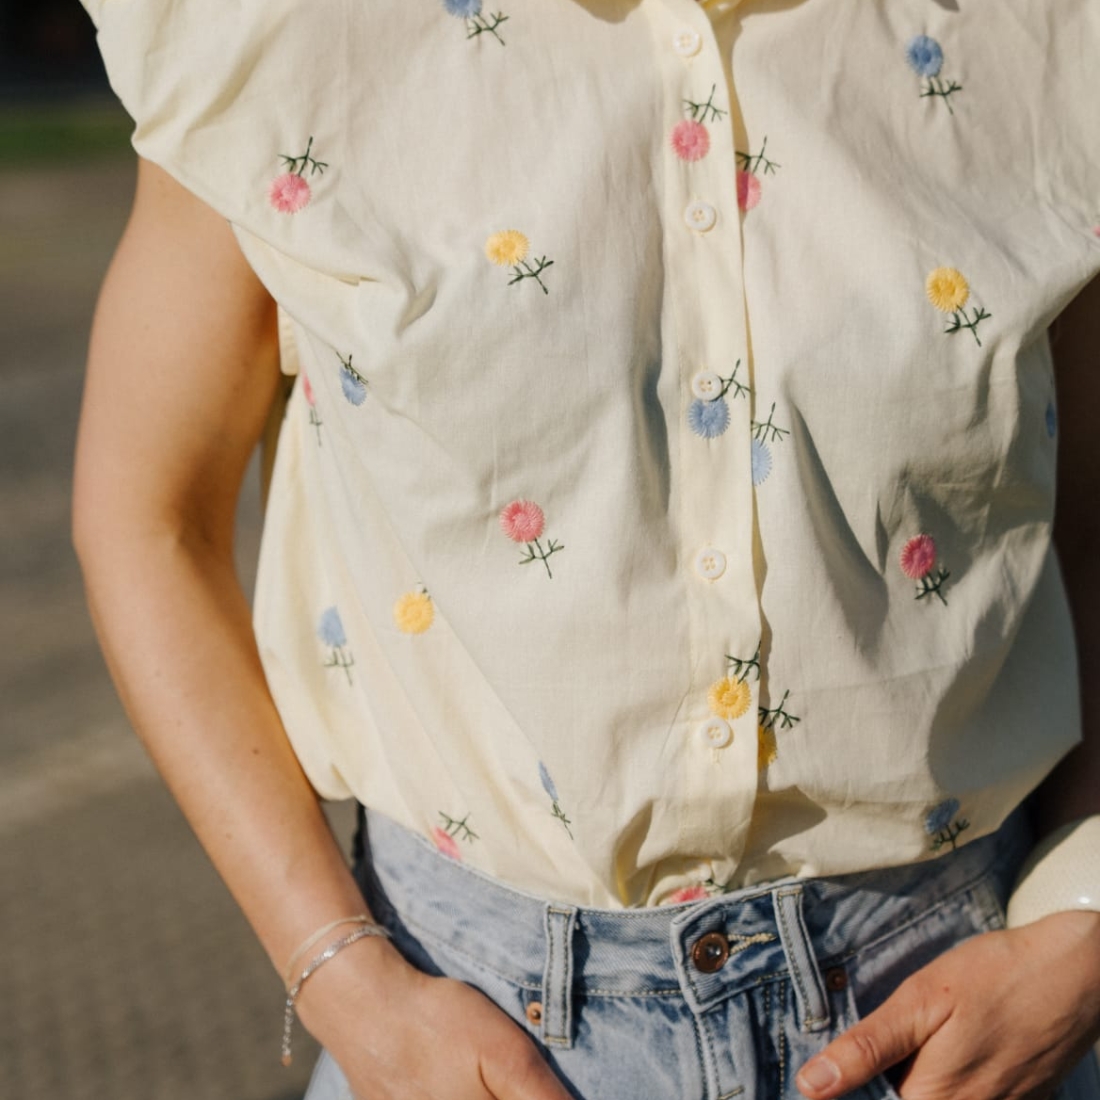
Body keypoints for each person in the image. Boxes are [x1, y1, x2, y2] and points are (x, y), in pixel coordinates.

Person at [72, 1, 1100, 1098]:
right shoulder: (286, 34)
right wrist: (341, 975)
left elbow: (1082, 521)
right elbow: (148, 518)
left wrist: (1085, 912)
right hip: (470, 1028)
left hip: (969, 1020)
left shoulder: (1028, 36)